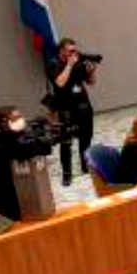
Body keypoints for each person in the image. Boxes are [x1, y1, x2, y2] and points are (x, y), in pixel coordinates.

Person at [0, 106, 53, 222]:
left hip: (27, 185)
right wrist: (33, 144)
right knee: (12, 222)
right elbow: (16, 152)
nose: (20, 120)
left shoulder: (19, 134)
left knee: (36, 218)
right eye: (15, 118)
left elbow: (45, 149)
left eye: (20, 116)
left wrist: (43, 137)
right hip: (4, 190)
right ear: (3, 122)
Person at [45, 37, 98, 186]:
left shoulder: (79, 62)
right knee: (66, 142)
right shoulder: (53, 64)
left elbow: (91, 82)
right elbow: (60, 83)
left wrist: (91, 72)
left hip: (83, 106)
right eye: (70, 50)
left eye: (75, 50)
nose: (74, 53)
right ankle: (67, 173)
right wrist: (69, 65)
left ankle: (85, 166)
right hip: (65, 108)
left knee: (86, 137)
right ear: (61, 51)